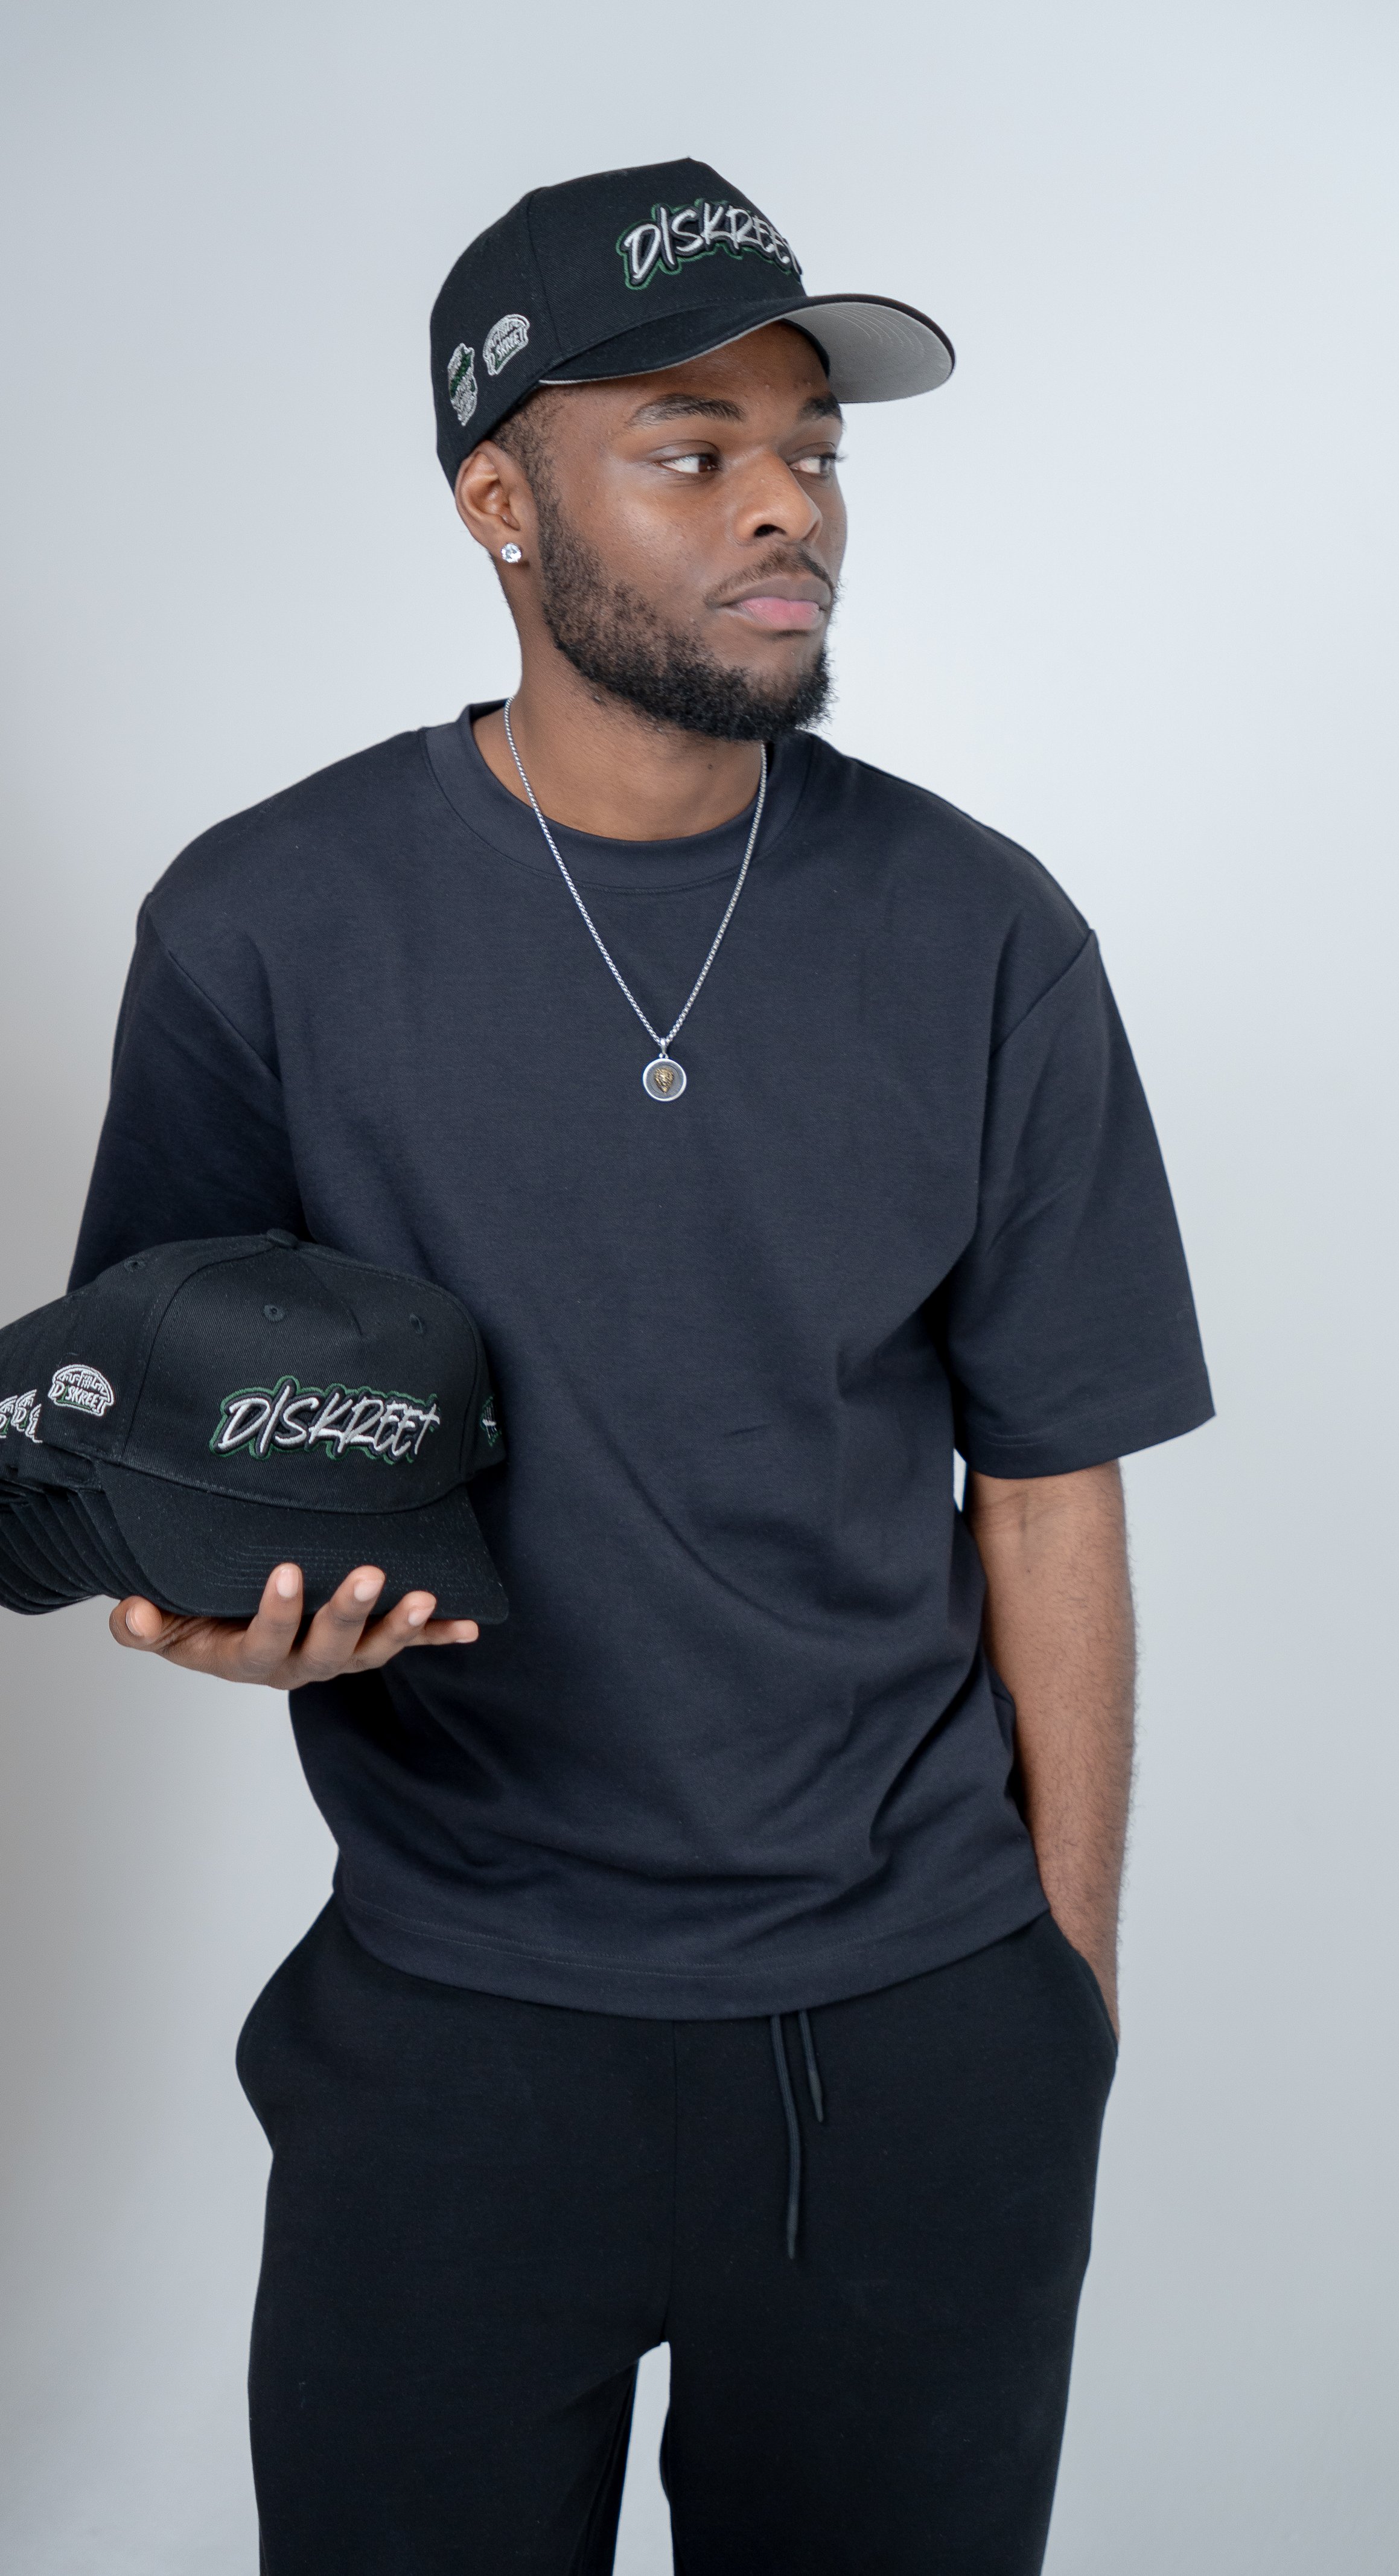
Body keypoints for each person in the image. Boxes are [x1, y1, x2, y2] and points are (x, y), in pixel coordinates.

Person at [74, 159, 1213, 2573]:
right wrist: (194, 1599)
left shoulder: (982, 935)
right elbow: (142, 1437)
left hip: (914, 2032)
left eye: (809, 448)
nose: (782, 502)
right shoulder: (267, 923)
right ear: (498, 501)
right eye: (690, 450)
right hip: (453, 2027)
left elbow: (1050, 1491)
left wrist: (1058, 2014)